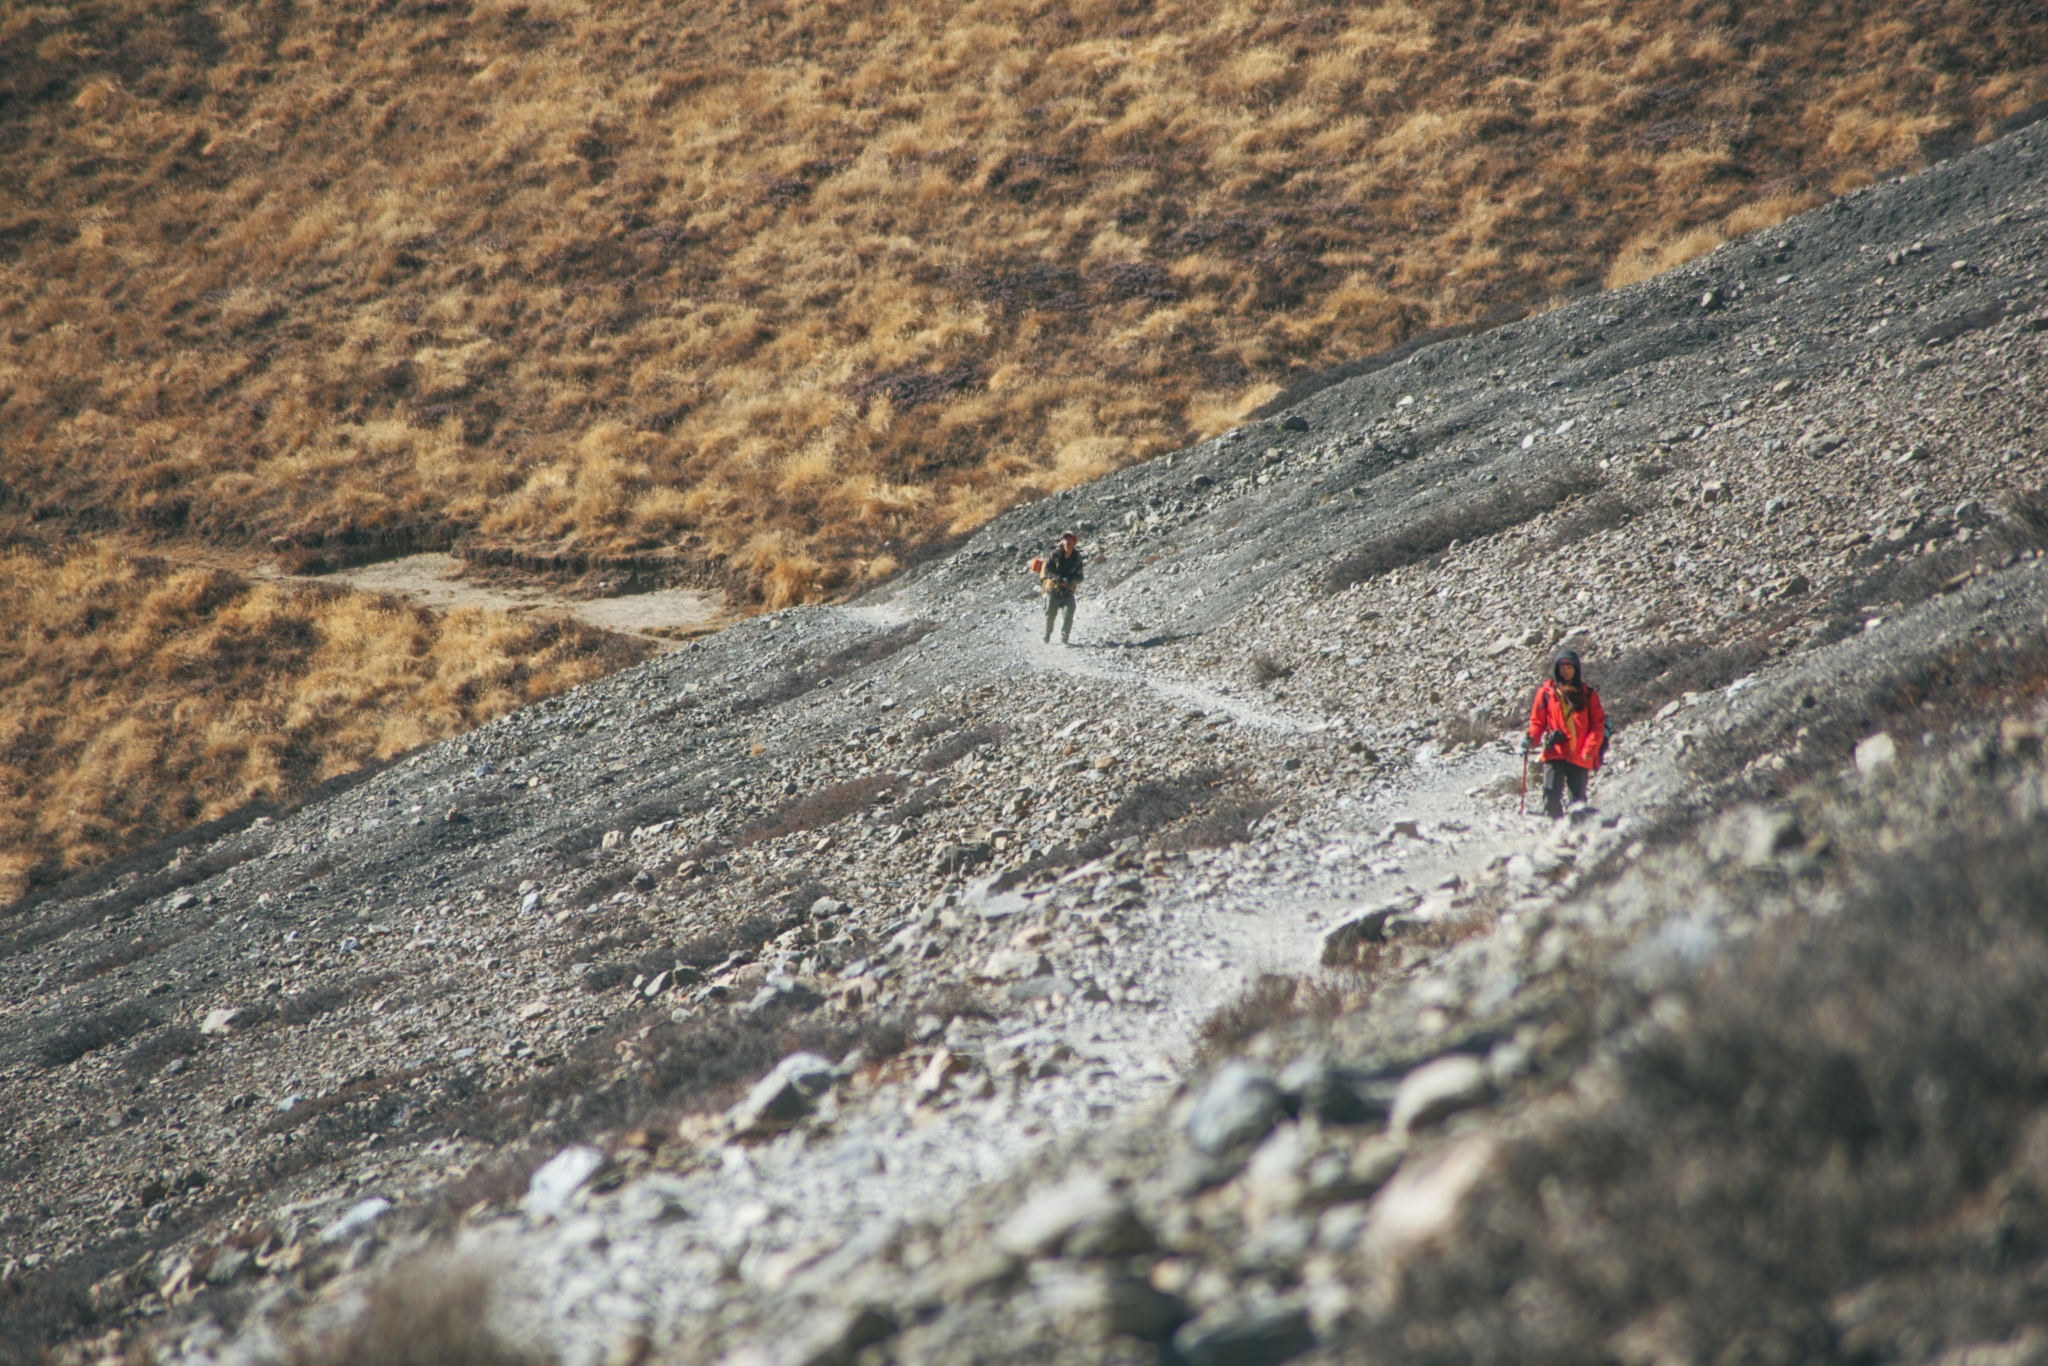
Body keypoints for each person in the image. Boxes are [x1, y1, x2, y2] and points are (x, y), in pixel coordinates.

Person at [1524, 648, 1608, 818]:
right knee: (1550, 798)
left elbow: (1598, 725)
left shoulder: (1589, 694)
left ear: (1576, 669)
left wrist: (1590, 749)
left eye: (1570, 667)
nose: (1566, 671)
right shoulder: (1546, 693)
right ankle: (1556, 834)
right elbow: (1537, 722)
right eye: (1562, 667)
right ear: (1556, 668)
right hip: (1555, 751)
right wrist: (1530, 739)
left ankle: (1577, 838)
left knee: (1577, 803)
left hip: (1581, 754)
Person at [1041, 532, 1084, 645]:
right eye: (1065, 539)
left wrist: (1069, 582)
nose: (1067, 542)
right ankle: (1047, 632)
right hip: (1052, 589)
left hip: (1067, 591)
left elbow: (1080, 576)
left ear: (1074, 542)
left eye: (1070, 539)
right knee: (1050, 614)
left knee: (1069, 613)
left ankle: (1064, 638)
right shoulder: (1054, 554)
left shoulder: (1077, 558)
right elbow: (1047, 570)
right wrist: (1058, 579)